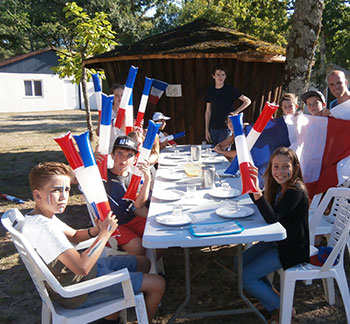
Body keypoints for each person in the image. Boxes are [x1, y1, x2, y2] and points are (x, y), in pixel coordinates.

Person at [22, 162, 165, 323]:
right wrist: (104, 235)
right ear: (37, 195)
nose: (63, 197)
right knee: (158, 283)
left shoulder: (41, 218)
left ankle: (118, 308)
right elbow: (82, 267)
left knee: (143, 262)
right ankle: (134, 308)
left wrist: (96, 230)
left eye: (67, 189)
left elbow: (75, 235)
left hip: (84, 276)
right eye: (56, 190)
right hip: (78, 292)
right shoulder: (44, 229)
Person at [242, 147, 309, 323]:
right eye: (275, 166)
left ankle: (283, 308)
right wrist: (252, 183)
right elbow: (265, 206)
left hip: (291, 248)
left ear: (294, 167)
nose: (280, 172)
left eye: (285, 166)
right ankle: (270, 299)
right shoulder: (279, 187)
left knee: (246, 277)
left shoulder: (295, 191)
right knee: (238, 263)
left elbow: (272, 217)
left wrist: (256, 191)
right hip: (277, 242)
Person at [105, 136, 151, 256]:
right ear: (112, 155)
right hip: (114, 224)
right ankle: (141, 268)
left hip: (131, 219)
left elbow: (139, 204)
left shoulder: (132, 178)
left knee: (159, 235)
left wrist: (147, 180)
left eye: (129, 155)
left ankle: (149, 266)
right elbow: (75, 179)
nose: (124, 159)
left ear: (134, 160)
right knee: (138, 248)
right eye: (120, 153)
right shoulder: (102, 175)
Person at [205, 66, 251, 146]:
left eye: (223, 75)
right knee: (214, 151)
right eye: (218, 74)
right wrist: (206, 129)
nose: (220, 77)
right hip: (213, 127)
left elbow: (247, 101)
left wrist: (235, 112)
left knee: (223, 153)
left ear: (225, 76)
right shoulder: (210, 91)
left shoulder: (230, 89)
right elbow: (208, 111)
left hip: (226, 127)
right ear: (213, 76)